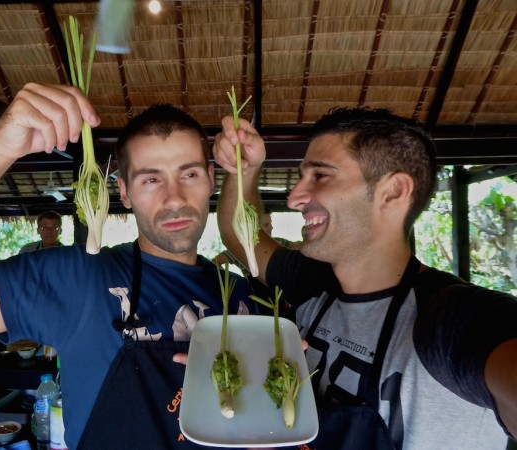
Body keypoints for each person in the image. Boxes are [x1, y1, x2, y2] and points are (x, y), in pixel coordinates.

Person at [0, 84, 254, 449]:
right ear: (123, 192)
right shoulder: (78, 278)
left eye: (188, 174)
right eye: (151, 179)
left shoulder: (243, 297)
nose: (174, 198)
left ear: (210, 178)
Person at [213, 107, 517, 449]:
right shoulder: (316, 284)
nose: (295, 198)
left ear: (393, 191)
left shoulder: (451, 319)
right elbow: (241, 238)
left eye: (321, 176)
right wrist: (245, 169)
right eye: (302, 177)